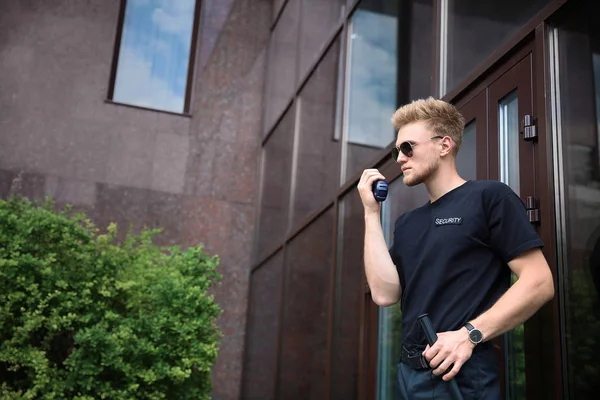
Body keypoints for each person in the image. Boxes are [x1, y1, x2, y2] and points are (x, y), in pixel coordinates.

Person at [357, 97, 555, 399]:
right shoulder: (408, 223)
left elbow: (539, 282)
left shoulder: (489, 197)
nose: (399, 159)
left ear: (444, 145)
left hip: (458, 372)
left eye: (408, 147)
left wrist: (470, 335)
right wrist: (371, 214)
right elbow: (385, 294)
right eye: (397, 150)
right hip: (408, 373)